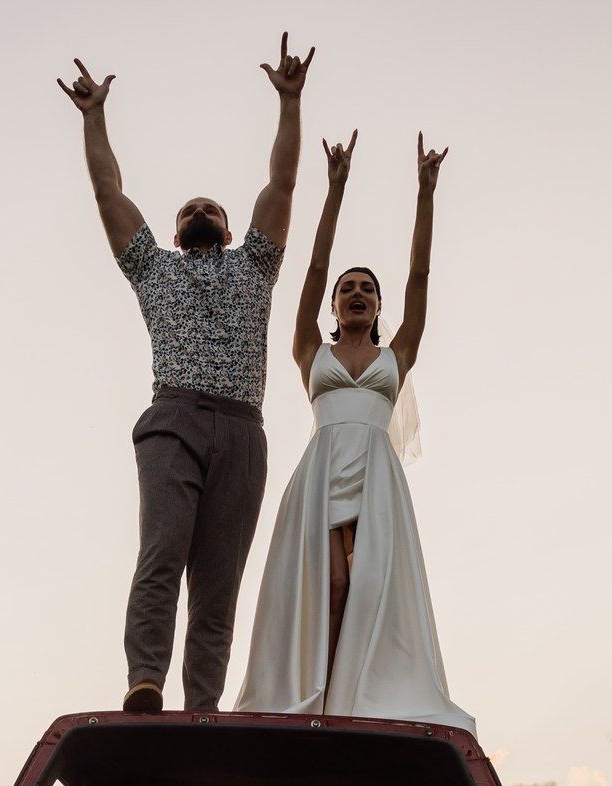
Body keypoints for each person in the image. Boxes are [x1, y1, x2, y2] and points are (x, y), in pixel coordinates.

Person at [58, 35, 313, 715]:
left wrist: (290, 104)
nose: (201, 212)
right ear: (175, 236)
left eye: (213, 209)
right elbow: (107, 190)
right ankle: (146, 678)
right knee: (162, 553)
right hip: (172, 419)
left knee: (219, 583)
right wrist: (94, 118)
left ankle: (202, 703)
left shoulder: (256, 265)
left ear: (230, 232)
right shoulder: (153, 270)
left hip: (241, 430)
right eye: (188, 211)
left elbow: (282, 183)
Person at [233, 132, 474, 734]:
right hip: (322, 474)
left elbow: (420, 274)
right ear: (335, 306)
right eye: (348, 289)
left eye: (367, 288)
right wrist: (335, 189)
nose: (357, 293)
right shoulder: (310, 349)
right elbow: (313, 267)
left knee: (369, 585)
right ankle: (316, 699)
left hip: (376, 477)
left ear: (378, 304)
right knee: (332, 583)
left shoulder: (398, 354)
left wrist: (426, 192)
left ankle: (356, 701)